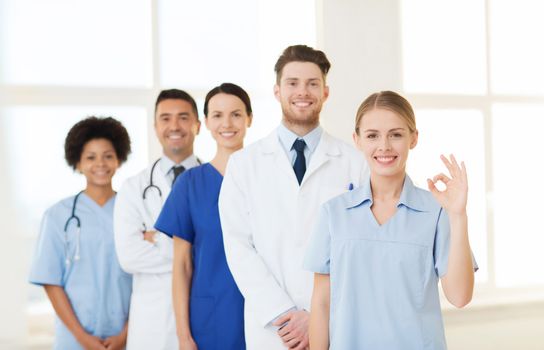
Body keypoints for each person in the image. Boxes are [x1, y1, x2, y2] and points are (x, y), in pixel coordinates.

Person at [218, 45, 368, 350]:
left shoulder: (355, 162)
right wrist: (285, 314)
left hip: (334, 322)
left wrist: (316, 317)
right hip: (274, 329)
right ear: (277, 91)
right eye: (293, 83)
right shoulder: (244, 164)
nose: (303, 92)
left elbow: (363, 248)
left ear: (326, 92)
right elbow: (238, 248)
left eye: (313, 84)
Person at [304, 91, 478, 350]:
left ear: (414, 138)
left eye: (395, 134)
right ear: (357, 140)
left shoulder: (437, 211)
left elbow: (460, 296)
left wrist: (458, 215)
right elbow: (321, 303)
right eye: (372, 135)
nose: (384, 146)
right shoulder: (334, 214)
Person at [155, 83, 251, 350]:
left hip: (261, 310)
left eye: (236, 114)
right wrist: (183, 335)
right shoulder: (190, 184)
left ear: (249, 119)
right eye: (217, 115)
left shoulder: (265, 179)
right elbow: (182, 266)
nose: (227, 123)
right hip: (209, 318)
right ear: (206, 122)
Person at [29, 116, 132, 350]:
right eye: (91, 157)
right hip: (74, 338)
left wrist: (125, 334)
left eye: (108, 156)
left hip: (126, 337)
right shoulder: (58, 215)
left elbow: (144, 279)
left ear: (119, 159)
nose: (101, 164)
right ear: (77, 163)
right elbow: (51, 281)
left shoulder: (132, 211)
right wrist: (82, 337)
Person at [114, 89, 201, 350]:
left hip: (202, 309)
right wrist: (191, 249)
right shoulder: (133, 187)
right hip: (152, 320)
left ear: (198, 125)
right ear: (155, 127)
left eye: (183, 117)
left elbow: (226, 251)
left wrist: (156, 237)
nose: (174, 125)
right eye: (165, 118)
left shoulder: (217, 182)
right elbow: (129, 256)